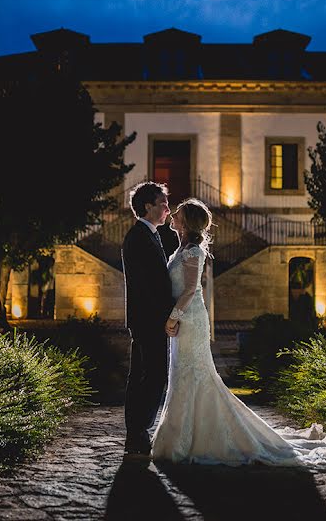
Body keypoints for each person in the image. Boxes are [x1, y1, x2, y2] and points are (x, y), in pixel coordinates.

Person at [151, 198, 326, 468]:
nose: (172, 215)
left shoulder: (194, 251)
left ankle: (189, 438)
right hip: (184, 318)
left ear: (186, 222)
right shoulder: (181, 248)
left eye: (178, 213)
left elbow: (190, 290)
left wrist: (173, 318)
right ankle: (183, 435)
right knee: (183, 375)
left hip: (190, 320)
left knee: (193, 374)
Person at [121, 181, 176, 457]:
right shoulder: (139, 237)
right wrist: (168, 314)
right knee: (153, 375)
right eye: (163, 203)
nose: (168, 208)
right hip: (149, 319)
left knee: (143, 376)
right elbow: (148, 285)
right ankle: (138, 431)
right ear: (148, 206)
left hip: (147, 319)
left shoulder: (150, 234)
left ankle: (137, 433)